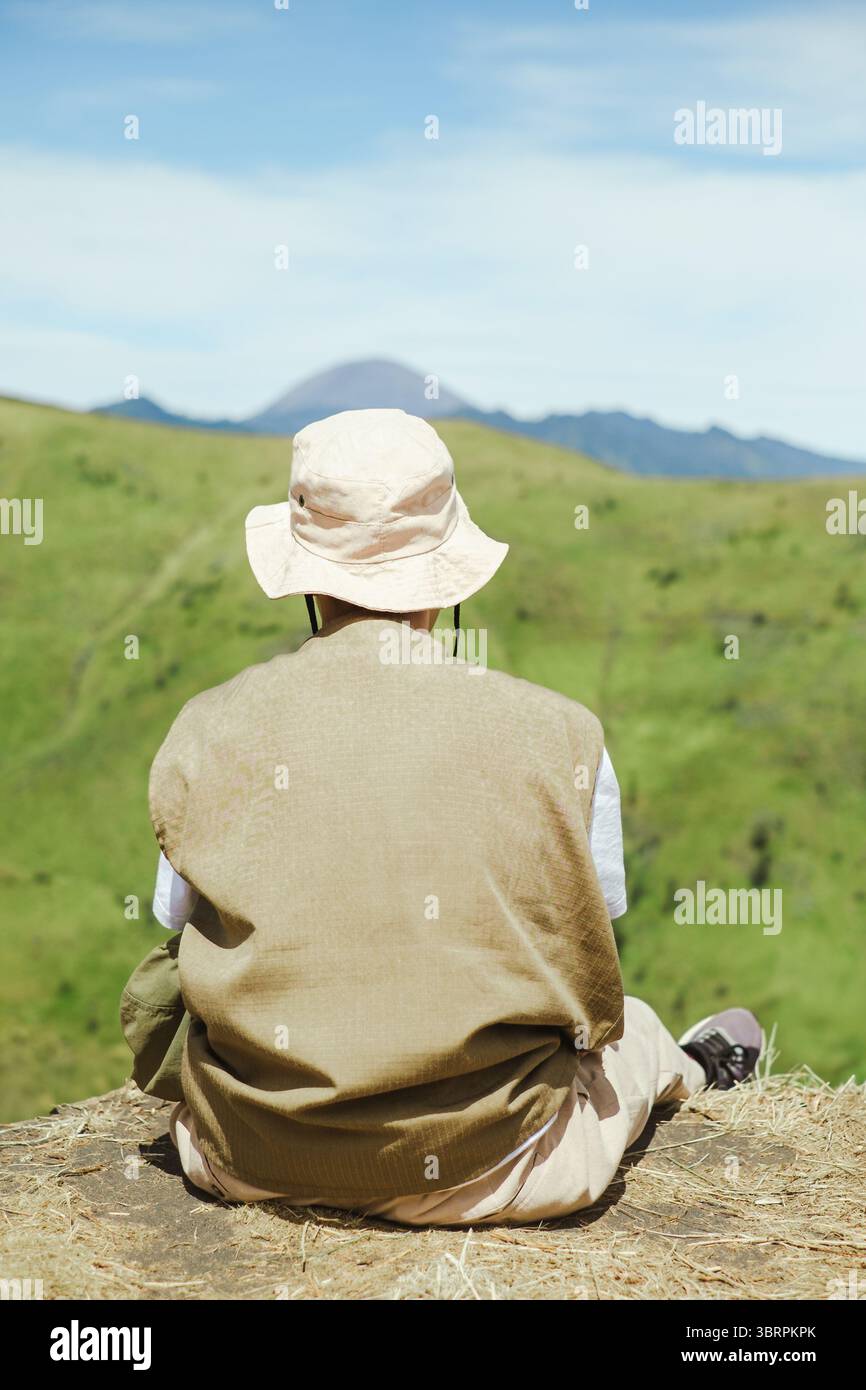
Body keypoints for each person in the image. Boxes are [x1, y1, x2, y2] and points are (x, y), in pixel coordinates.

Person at [121, 407, 762, 1224]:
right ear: (447, 581)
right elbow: (589, 927)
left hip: (248, 1156)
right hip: (498, 1162)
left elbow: (176, 923)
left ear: (308, 578)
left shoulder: (201, 729)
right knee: (631, 1028)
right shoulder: (561, 732)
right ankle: (699, 1067)